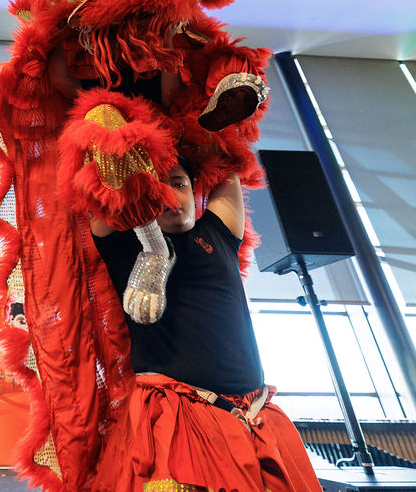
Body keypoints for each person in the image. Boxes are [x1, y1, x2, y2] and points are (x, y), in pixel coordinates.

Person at [89, 157, 321, 492]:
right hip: (179, 419)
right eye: (157, 187)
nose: (170, 195)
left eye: (178, 183)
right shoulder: (123, 243)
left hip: (255, 416)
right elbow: (102, 177)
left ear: (194, 187)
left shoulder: (218, 231)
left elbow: (226, 155)